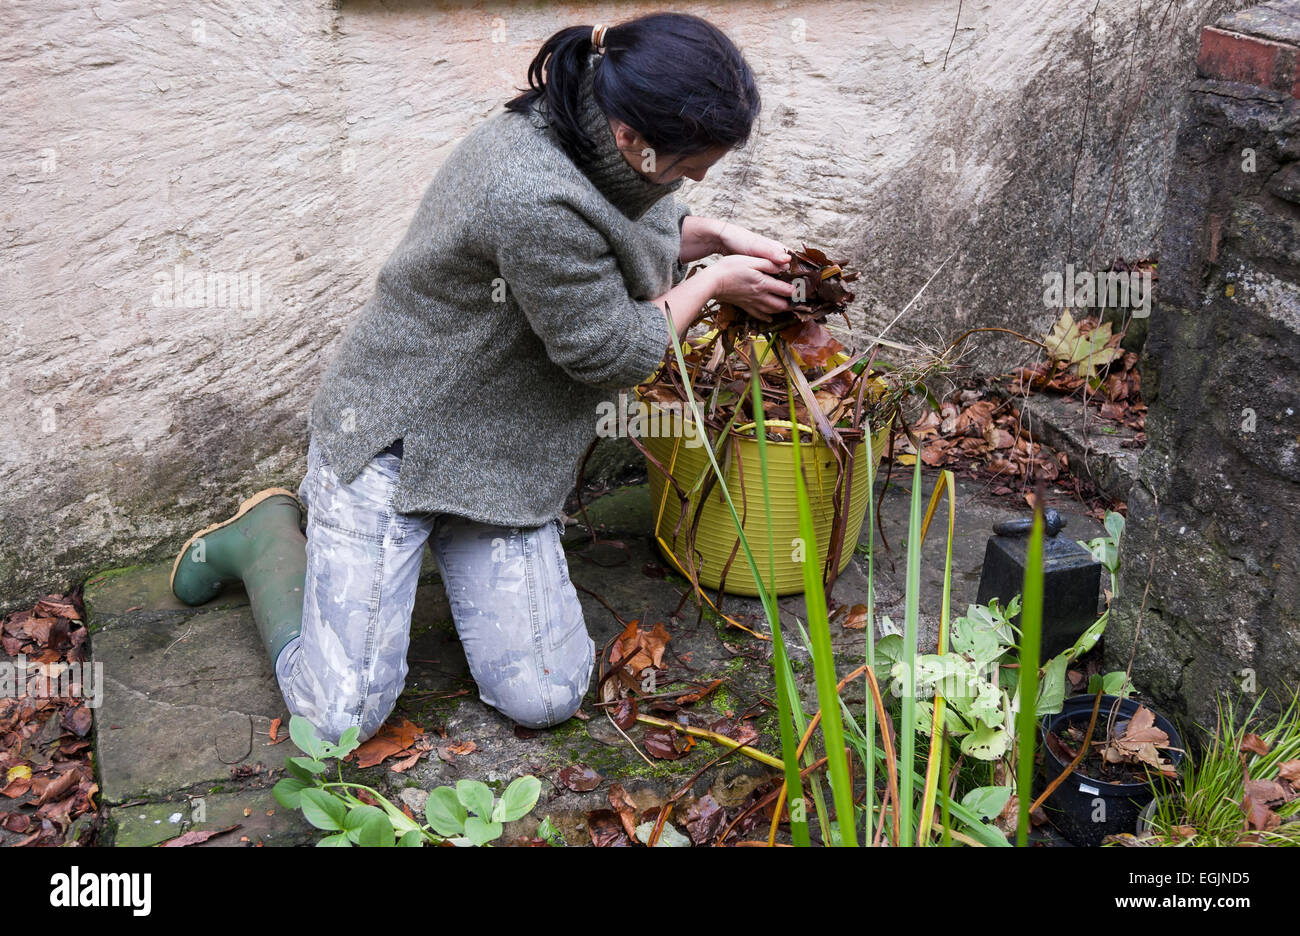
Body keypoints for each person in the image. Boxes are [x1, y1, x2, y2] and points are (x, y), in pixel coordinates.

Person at [169, 12, 795, 743]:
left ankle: (430, 552)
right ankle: (266, 537)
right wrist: (715, 281)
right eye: (691, 168)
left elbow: (632, 226)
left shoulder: (595, 120)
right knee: (337, 721)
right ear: (633, 138)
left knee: (550, 694)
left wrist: (714, 236)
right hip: (393, 441)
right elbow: (609, 350)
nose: (693, 181)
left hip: (499, 457)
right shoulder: (530, 187)